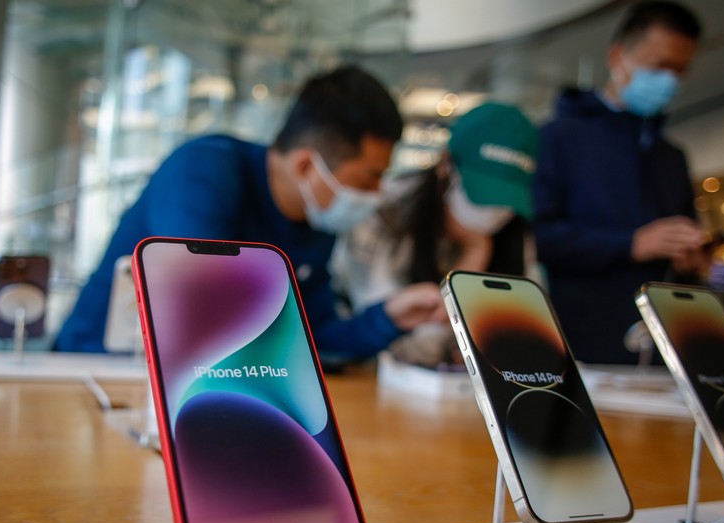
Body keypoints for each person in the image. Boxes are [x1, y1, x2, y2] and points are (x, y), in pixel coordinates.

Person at [55, 65, 445, 362]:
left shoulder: (316, 223)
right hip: (95, 370)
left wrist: (390, 317)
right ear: (307, 166)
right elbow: (207, 313)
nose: (377, 194)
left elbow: (317, 340)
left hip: (198, 390)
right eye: (369, 178)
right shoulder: (204, 172)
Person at [532, 1, 706, 365]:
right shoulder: (558, 138)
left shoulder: (672, 156)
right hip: (580, 346)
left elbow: (685, 252)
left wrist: (691, 260)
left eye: (680, 71)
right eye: (660, 66)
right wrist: (630, 244)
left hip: (658, 347)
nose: (669, 81)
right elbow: (541, 238)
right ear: (618, 56)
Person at [330, 102, 539, 367]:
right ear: (446, 165)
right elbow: (402, 347)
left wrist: (477, 249)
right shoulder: (384, 212)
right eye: (481, 194)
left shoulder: (515, 228)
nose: (494, 210)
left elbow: (529, 338)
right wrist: (474, 254)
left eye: (505, 199)